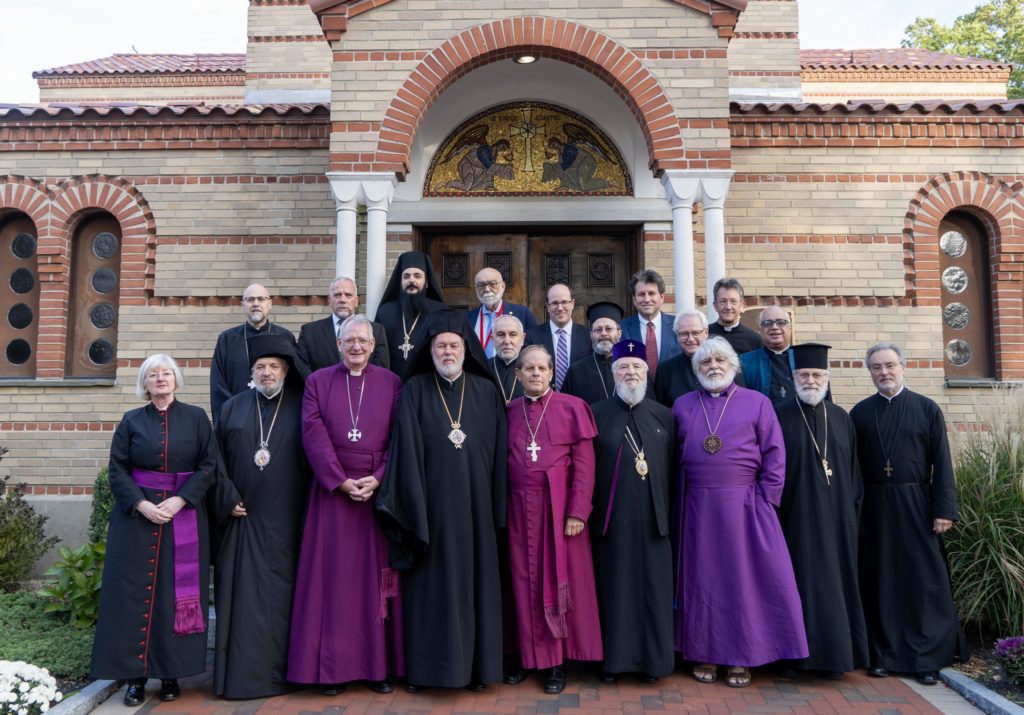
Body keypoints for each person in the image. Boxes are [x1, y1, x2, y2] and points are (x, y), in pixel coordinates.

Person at [376, 310, 507, 691]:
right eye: (440, 346)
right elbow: (406, 451)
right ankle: (427, 671)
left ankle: (478, 670)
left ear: (466, 350)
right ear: (429, 350)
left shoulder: (484, 391)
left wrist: (498, 508)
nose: (447, 351)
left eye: (453, 345)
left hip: (477, 510)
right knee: (430, 592)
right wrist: (414, 508)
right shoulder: (415, 388)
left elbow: (500, 457)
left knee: (475, 589)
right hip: (429, 511)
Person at [672, 337, 807, 688]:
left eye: (720, 360)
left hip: (745, 506)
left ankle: (740, 657)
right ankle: (704, 652)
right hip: (696, 507)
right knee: (703, 582)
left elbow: (776, 456)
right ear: (696, 370)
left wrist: (765, 500)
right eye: (705, 363)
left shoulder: (757, 403)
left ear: (733, 366)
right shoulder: (683, 405)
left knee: (742, 582)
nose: (713, 367)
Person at [91, 355, 218, 706]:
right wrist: (142, 504)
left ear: (176, 380)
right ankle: (134, 678)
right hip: (136, 521)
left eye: (166, 373)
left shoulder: (196, 418)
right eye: (152, 375)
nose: (160, 379)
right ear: (144, 384)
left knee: (172, 597)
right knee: (133, 597)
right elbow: (117, 471)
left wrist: (181, 501)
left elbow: (209, 466)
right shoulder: (131, 421)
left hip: (184, 519)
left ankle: (170, 675)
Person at [289, 315, 404, 694]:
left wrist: (380, 476)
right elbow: (312, 433)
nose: (356, 347)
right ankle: (331, 670)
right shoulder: (318, 382)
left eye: (363, 341)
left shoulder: (391, 383)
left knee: (375, 582)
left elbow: (398, 438)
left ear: (373, 346)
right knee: (332, 584)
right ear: (338, 345)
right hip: (332, 493)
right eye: (349, 341)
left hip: (375, 494)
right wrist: (339, 481)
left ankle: (377, 669)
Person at [850, 342, 968, 685]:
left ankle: (925, 659)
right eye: (876, 367)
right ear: (869, 371)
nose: (883, 372)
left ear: (903, 367)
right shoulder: (860, 413)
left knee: (922, 581)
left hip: (917, 503)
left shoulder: (927, 409)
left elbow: (943, 463)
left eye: (889, 365)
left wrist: (944, 509)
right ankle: (882, 655)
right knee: (881, 580)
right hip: (874, 507)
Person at [211, 334, 310, 699]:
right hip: (242, 518)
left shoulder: (303, 405)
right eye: (259, 367)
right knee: (242, 600)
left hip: (289, 519)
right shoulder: (232, 407)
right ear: (251, 373)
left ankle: (287, 675)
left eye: (273, 367)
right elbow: (214, 462)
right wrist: (226, 497)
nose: (266, 373)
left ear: (285, 371)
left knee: (285, 598)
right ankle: (243, 678)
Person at [505, 345, 602, 694]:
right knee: (518, 583)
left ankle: (555, 664)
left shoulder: (573, 408)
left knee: (554, 582)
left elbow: (586, 468)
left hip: (558, 512)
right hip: (516, 510)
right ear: (518, 374)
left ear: (551, 372)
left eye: (541, 368)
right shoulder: (508, 410)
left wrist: (578, 511)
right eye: (528, 369)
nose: (535, 374)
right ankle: (523, 657)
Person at [775, 343, 868, 679]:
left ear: (827, 378)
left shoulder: (842, 418)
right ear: (793, 376)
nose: (810, 380)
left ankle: (837, 658)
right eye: (804, 374)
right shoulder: (778, 414)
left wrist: (852, 516)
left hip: (838, 521)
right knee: (798, 586)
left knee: (838, 586)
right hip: (794, 519)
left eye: (817, 375)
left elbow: (854, 472)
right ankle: (797, 658)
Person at [589, 340, 675, 684]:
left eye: (636, 367)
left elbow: (675, 467)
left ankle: (654, 663)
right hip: (612, 522)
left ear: (646, 373)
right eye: (623, 367)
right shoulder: (594, 413)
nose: (630, 373)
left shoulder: (664, 416)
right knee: (615, 590)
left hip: (655, 520)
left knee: (655, 592)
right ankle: (614, 662)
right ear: (613, 373)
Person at [210, 283, 299, 425]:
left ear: (270, 304)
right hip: (237, 420)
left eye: (261, 299)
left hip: (278, 418)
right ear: (243, 305)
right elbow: (219, 386)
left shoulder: (284, 337)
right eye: (250, 300)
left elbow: (293, 381)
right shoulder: (226, 339)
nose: (256, 304)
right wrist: (227, 419)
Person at [374, 252, 447, 380]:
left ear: (426, 282)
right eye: (406, 276)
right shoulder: (385, 312)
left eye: (417, 276)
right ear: (400, 281)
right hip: (391, 383)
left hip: (429, 384)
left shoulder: (441, 312)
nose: (411, 280)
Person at [296, 276, 389, 372]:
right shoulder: (310, 332)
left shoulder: (376, 330)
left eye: (348, 295)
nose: (342, 300)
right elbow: (303, 369)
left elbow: (381, 367)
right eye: (337, 295)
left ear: (356, 301)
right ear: (329, 300)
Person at [523, 283, 590, 390]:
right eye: (554, 303)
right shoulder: (531, 336)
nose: (560, 308)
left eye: (564, 302)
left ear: (572, 303)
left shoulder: (588, 336)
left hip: (579, 399)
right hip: (544, 400)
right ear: (548, 307)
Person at [620, 270, 679, 379]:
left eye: (651, 293)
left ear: (662, 298)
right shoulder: (621, 328)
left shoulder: (678, 326)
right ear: (634, 299)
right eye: (641, 294)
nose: (647, 299)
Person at [466, 267, 537, 358]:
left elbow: (533, 348)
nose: (487, 289)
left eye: (492, 284)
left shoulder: (523, 314)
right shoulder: (467, 318)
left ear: (503, 286)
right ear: (476, 289)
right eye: (481, 285)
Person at [561, 302, 623, 405]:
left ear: (619, 333)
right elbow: (567, 407)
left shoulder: (634, 367)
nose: (603, 333)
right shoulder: (576, 370)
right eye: (598, 329)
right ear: (591, 335)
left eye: (608, 329)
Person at [738, 305, 795, 403]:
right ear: (760, 330)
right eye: (767, 323)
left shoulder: (803, 359)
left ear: (790, 327)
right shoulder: (743, 363)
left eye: (781, 322)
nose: (774, 327)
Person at [653, 310, 708, 407]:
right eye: (684, 334)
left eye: (695, 333)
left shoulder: (721, 365)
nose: (690, 339)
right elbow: (660, 410)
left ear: (706, 333)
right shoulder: (665, 371)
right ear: (677, 336)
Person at [707, 278, 761, 354]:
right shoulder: (705, 335)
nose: (728, 307)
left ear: (741, 306)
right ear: (715, 306)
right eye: (723, 301)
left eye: (733, 301)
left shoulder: (755, 340)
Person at [490, 314, 526, 404]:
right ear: (492, 339)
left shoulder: (533, 370)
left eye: (513, 334)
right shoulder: (482, 370)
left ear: (522, 339)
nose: (507, 341)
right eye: (501, 335)